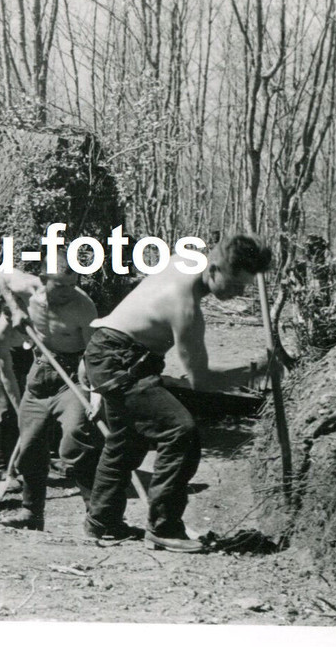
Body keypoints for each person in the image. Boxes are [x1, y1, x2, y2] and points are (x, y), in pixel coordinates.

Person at [82, 233, 273, 552]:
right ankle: (165, 527)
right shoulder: (184, 306)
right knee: (179, 431)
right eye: (236, 284)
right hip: (119, 360)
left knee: (127, 439)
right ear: (213, 270)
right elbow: (201, 381)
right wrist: (257, 371)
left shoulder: (187, 261)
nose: (240, 292)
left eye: (246, 286)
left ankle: (102, 521)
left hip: (111, 352)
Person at [0, 259, 102, 530]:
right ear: (43, 280)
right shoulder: (29, 288)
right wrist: (14, 308)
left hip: (73, 377)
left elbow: (93, 354)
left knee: (75, 441)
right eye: (60, 284)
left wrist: (94, 394)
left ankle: (98, 517)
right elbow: (1, 274)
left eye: (73, 284)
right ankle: (32, 513)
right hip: (40, 372)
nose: (68, 290)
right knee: (30, 447)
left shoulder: (84, 307)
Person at [0, 311, 33, 480]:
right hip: (5, 354)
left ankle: (25, 463)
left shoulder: (41, 304)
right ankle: (2, 468)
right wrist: (20, 409)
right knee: (5, 409)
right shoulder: (2, 333)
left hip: (30, 350)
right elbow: (7, 378)